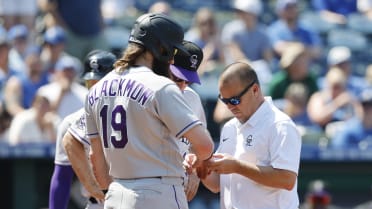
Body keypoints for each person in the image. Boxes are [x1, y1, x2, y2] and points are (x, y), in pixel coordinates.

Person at [67, 13, 215, 209]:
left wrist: (112, 191)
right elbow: (205, 147)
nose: (172, 59)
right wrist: (197, 162)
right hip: (158, 192)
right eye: (171, 51)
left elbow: (97, 160)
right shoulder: (161, 86)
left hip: (116, 193)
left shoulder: (98, 89)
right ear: (160, 48)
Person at [188, 61, 301, 209]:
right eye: (224, 101)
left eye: (234, 100)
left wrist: (237, 166)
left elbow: (286, 179)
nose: (229, 106)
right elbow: (217, 184)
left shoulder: (280, 125)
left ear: (255, 90)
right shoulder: (229, 127)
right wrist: (200, 164)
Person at [49, 50, 116, 209]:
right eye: (90, 83)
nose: (95, 89)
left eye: (100, 83)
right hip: (97, 203)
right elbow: (62, 177)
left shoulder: (134, 116)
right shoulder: (71, 122)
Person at [221, 0, 273, 65]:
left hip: (257, 70)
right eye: (239, 11)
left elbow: (268, 58)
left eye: (243, 12)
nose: (239, 14)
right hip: (235, 70)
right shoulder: (230, 29)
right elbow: (237, 56)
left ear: (254, 14)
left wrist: (260, 68)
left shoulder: (263, 32)